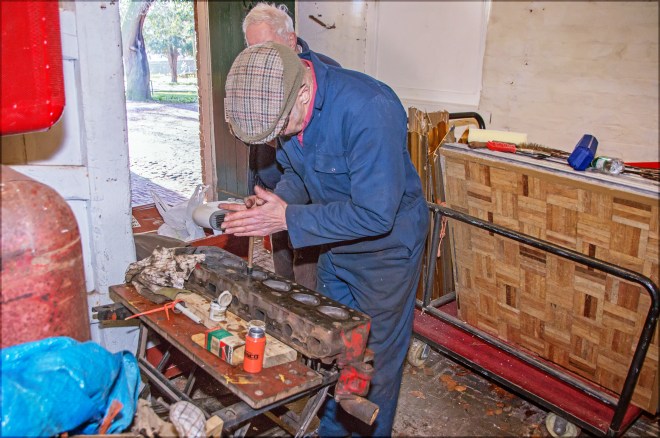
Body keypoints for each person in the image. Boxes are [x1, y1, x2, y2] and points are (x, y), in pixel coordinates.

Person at [222, 42, 429, 437]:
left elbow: (375, 213)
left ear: (303, 92)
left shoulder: (369, 109)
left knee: (373, 361)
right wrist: (277, 201)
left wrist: (286, 217)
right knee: (332, 347)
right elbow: (299, 174)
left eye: (279, 129)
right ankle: (332, 430)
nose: (277, 138)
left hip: (385, 254)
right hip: (332, 242)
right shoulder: (288, 109)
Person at [242, 3, 339, 291]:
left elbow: (326, 144)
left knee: (308, 278)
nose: (258, 57)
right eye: (251, 49)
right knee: (281, 271)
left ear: (291, 40)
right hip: (274, 180)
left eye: (266, 47)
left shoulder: (326, 72)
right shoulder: (257, 75)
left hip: (309, 192)